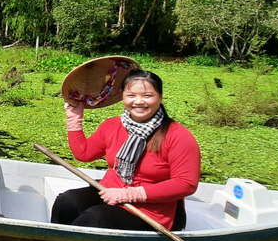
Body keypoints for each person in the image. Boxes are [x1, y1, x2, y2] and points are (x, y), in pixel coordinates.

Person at [52, 69, 200, 231]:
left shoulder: (178, 136)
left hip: (149, 210)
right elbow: (84, 153)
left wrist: (127, 194)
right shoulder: (113, 125)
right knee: (66, 202)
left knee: (94, 218)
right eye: (131, 95)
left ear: (160, 97)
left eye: (147, 96)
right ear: (122, 96)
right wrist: (74, 119)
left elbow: (186, 184)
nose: (138, 102)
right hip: (109, 191)